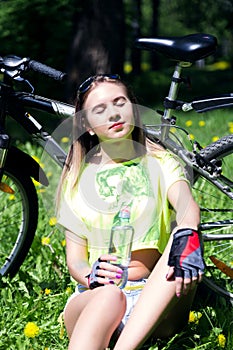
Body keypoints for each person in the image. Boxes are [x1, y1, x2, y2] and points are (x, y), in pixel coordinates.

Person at [56, 74, 205, 350]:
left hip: (154, 299)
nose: (113, 113)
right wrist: (90, 274)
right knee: (110, 296)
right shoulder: (76, 180)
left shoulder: (160, 163)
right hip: (96, 300)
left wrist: (188, 237)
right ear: (87, 126)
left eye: (119, 102)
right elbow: (75, 261)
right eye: (100, 110)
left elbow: (187, 207)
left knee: (183, 237)